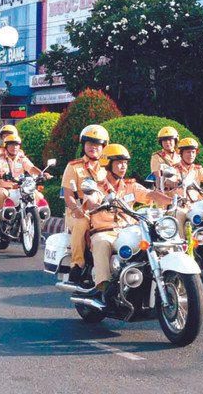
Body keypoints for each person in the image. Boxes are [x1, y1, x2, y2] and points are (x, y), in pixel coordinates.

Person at [82, 144, 173, 296]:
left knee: (155, 241)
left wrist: (171, 200)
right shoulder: (97, 187)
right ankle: (104, 288)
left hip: (128, 230)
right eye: (119, 162)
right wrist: (98, 204)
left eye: (125, 163)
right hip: (106, 231)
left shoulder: (131, 186)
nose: (123, 166)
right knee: (101, 243)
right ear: (108, 164)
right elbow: (90, 201)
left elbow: (150, 195)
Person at [61, 125, 110, 284]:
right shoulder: (74, 166)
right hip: (78, 211)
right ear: (83, 145)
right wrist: (75, 209)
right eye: (89, 143)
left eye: (97, 144)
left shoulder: (108, 168)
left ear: (104, 147)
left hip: (101, 211)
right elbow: (68, 195)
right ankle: (77, 265)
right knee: (82, 223)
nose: (93, 147)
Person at [0, 134, 50, 227]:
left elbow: (31, 168)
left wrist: (42, 174)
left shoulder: (22, 158)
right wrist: (1, 175)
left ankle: (38, 224)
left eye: (17, 145)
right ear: (6, 146)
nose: (14, 147)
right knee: (1, 195)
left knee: (38, 196)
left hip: (20, 187)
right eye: (12, 144)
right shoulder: (0, 158)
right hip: (5, 187)